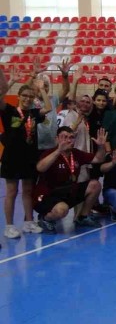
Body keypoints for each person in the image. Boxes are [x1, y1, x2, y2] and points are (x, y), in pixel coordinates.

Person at [1, 75, 52, 238]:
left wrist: (42, 90)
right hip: (12, 158)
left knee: (28, 190)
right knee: (12, 191)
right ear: (18, 96)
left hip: (29, 157)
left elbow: (48, 108)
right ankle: (9, 226)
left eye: (30, 96)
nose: (27, 99)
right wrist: (10, 83)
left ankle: (29, 222)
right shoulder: (9, 111)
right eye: (24, 95)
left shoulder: (34, 113)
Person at [33, 127, 107, 232]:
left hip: (68, 191)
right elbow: (40, 168)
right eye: (64, 137)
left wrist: (101, 146)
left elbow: (99, 159)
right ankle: (45, 218)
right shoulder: (49, 153)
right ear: (57, 139)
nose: (68, 140)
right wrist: (59, 151)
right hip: (47, 195)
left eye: (71, 137)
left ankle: (83, 217)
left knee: (95, 185)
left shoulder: (76, 153)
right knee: (62, 210)